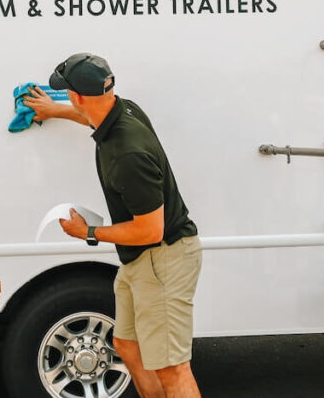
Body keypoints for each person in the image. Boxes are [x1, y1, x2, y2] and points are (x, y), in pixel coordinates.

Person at [24, 53, 202, 398]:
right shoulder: (123, 108)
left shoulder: (127, 155)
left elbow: (151, 229)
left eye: (65, 93)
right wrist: (52, 109)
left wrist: (88, 233)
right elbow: (87, 116)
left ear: (77, 94)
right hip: (141, 259)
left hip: (163, 258)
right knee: (126, 344)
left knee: (172, 369)